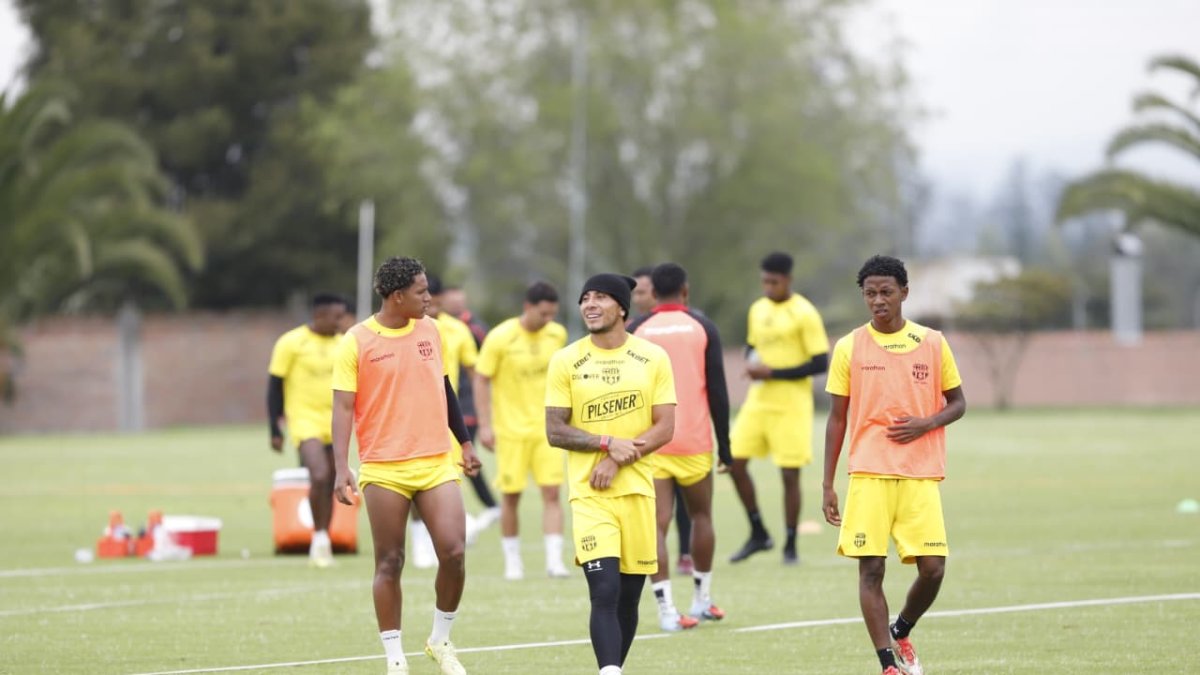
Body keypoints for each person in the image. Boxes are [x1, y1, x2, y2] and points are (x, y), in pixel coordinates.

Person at [332, 257, 481, 675]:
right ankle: (395, 657)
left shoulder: (432, 330)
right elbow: (342, 408)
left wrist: (465, 443)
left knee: (454, 552)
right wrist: (341, 467)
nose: (430, 298)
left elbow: (444, 387)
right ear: (397, 296)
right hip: (383, 466)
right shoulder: (356, 341)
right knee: (390, 561)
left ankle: (440, 640)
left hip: (435, 461)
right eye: (421, 291)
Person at [822, 255, 966, 675]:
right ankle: (887, 664)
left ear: (904, 292)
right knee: (872, 569)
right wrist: (828, 484)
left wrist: (927, 422)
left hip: (920, 472)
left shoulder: (932, 342)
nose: (878, 300)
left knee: (933, 569)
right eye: (870, 294)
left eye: (886, 292)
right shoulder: (849, 346)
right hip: (869, 472)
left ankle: (901, 629)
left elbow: (958, 403)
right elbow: (837, 418)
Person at [545, 273, 676, 675]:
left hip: (637, 492)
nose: (590, 304)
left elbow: (664, 427)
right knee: (604, 589)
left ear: (622, 307)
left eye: (600, 297)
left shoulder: (653, 357)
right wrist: (605, 443)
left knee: (629, 598)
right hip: (590, 494)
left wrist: (618, 458)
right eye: (585, 297)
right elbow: (555, 430)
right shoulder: (566, 360)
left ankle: (614, 667)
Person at [628, 263, 732, 632]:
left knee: (656, 524)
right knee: (701, 517)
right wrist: (726, 447)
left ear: (653, 292)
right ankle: (702, 600)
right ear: (685, 291)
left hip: (651, 441)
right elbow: (717, 392)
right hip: (694, 441)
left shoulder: (636, 329)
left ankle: (666, 610)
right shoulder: (703, 326)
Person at [728, 252, 830, 565]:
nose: (768, 287)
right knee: (733, 462)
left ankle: (790, 544)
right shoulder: (757, 309)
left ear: (788, 280)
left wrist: (772, 372)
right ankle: (759, 532)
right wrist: (751, 363)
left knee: (789, 474)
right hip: (758, 401)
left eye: (774, 282)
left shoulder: (804, 313)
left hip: (792, 404)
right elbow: (752, 345)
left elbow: (820, 363)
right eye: (764, 282)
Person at [473, 281, 570, 580]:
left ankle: (555, 561)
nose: (548, 320)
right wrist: (485, 424)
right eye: (543, 313)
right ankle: (513, 563)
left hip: (547, 430)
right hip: (511, 431)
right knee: (511, 496)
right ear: (528, 307)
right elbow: (481, 378)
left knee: (552, 492)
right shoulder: (500, 337)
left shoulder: (557, 334)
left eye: (552, 314)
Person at [267, 292, 348, 568]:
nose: (340, 322)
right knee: (320, 474)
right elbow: (274, 386)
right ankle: (319, 536)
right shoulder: (291, 342)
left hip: (335, 421)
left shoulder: (344, 344)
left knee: (333, 481)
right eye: (336, 317)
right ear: (319, 315)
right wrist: (274, 429)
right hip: (304, 420)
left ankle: (323, 538)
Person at [631, 266, 695, 576]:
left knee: (680, 503)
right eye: (635, 293)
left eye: (644, 292)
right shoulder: (631, 330)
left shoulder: (642, 330)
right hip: (655, 434)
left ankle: (684, 556)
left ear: (654, 292)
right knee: (659, 509)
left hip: (678, 431)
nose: (639, 298)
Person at [441, 285, 501, 531]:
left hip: (465, 403)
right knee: (455, 460)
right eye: (451, 299)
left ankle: (486, 507)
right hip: (445, 402)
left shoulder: (473, 328)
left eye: (460, 299)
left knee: (463, 457)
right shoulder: (432, 326)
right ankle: (481, 509)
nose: (456, 303)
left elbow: (485, 365)